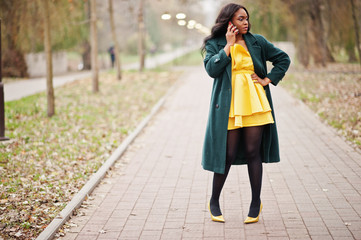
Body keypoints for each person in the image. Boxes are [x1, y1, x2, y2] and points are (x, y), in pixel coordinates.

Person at [201, 3, 290, 224]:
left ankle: (255, 203)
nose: (246, 22)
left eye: (246, 18)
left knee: (253, 152)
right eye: (241, 19)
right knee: (228, 154)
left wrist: (267, 79)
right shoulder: (215, 44)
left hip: (254, 102)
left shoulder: (257, 41)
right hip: (229, 105)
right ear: (229, 21)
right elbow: (212, 70)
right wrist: (228, 47)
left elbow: (283, 59)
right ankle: (214, 201)